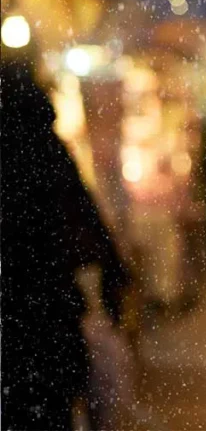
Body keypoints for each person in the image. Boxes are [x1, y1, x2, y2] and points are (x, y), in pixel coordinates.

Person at [1, 58, 130, 430]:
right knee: (45, 406)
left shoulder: (34, 150)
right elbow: (82, 220)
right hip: (48, 311)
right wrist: (112, 279)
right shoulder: (46, 149)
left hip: (29, 312)